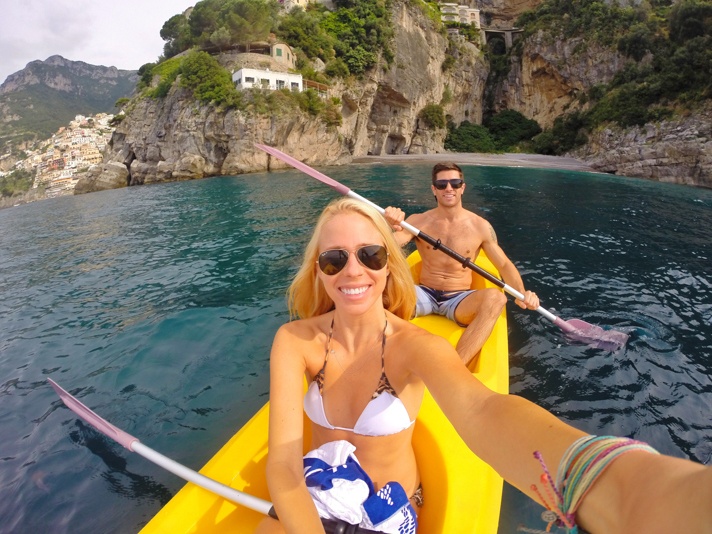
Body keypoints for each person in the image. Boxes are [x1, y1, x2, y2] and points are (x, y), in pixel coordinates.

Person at [257, 197, 712, 534]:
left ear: (390, 264)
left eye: (370, 255)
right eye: (334, 260)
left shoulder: (415, 346)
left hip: (386, 509)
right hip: (318, 492)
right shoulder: (293, 341)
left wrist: (609, 477)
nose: (353, 271)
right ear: (317, 272)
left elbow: (483, 411)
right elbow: (282, 464)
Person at [384, 162, 540, 367]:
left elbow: (503, 264)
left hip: (458, 300)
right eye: (442, 184)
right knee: (378, 289)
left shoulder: (480, 226)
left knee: (496, 300)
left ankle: (453, 369)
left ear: (462, 187)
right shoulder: (418, 221)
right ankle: (378, 354)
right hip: (422, 294)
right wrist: (388, 224)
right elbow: (388, 247)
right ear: (434, 189)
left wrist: (521, 294)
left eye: (455, 183)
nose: (449, 188)